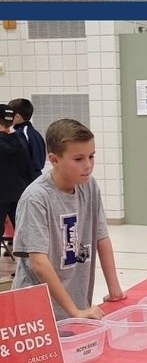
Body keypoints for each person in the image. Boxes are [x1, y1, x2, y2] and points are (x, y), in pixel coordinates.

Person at [11, 119, 126, 319]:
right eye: (78, 159)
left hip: (75, 304)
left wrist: (114, 288)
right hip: (37, 312)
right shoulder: (36, 198)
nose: (88, 165)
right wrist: (74, 312)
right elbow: (38, 262)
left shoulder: (88, 186)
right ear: (54, 159)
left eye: (91, 156)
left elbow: (101, 238)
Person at [0, 104, 32, 252]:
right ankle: (25, 272)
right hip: (20, 193)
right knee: (24, 235)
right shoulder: (21, 141)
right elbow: (28, 169)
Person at [9, 99, 45, 180]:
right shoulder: (35, 133)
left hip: (27, 177)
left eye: (10, 115)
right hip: (36, 175)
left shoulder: (20, 134)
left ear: (17, 117)